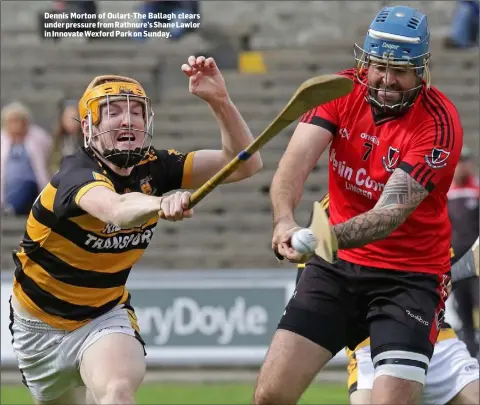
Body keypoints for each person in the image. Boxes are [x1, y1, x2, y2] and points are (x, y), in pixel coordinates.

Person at [9, 55, 262, 405]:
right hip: (39, 325)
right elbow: (115, 208)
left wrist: (220, 101)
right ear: (88, 127)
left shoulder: (156, 167)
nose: (127, 119)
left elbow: (244, 165)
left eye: (136, 111)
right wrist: (161, 204)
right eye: (112, 111)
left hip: (103, 315)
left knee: (117, 394)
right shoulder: (74, 175)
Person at [255, 6, 463, 405]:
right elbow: (291, 169)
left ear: (421, 71)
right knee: (270, 395)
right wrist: (283, 220)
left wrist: (321, 238)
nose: (386, 80)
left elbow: (388, 215)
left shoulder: (439, 125)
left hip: (408, 277)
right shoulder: (338, 90)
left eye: (400, 70)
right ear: (364, 62)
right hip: (334, 268)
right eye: (379, 66)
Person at [296, 194, 479, 405]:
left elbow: (441, 272)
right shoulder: (331, 205)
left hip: (435, 340)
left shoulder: (421, 198)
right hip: (368, 346)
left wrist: (445, 275)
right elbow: (311, 287)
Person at [447, 145, 479, 357]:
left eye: (465, 161)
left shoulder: (476, 191)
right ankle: (470, 352)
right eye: (458, 161)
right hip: (453, 261)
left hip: (476, 260)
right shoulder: (445, 193)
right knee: (462, 308)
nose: (461, 166)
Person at [1, 101, 52, 216]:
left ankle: (11, 209)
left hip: (30, 186)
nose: (15, 125)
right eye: (12, 121)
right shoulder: (2, 140)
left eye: (18, 120)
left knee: (26, 186)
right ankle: (10, 208)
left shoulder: (39, 137)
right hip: (8, 187)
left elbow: (48, 156)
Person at [49, 99, 84, 172]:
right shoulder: (57, 139)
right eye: (68, 118)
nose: (72, 122)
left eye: (75, 118)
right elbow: (53, 163)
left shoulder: (86, 139)